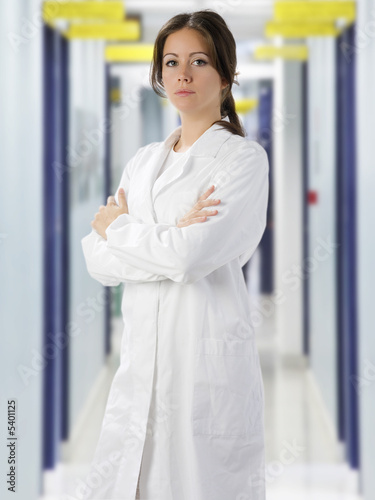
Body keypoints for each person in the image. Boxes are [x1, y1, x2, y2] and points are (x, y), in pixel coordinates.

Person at [80, 9, 269, 500]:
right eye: (170, 62)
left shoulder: (242, 159)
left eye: (199, 61)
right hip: (140, 368)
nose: (182, 74)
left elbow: (190, 257)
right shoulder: (144, 162)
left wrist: (123, 229)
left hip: (203, 375)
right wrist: (167, 236)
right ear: (159, 74)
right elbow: (96, 261)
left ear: (226, 75)